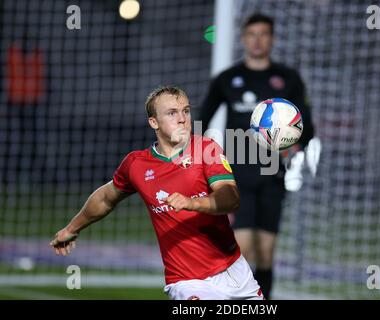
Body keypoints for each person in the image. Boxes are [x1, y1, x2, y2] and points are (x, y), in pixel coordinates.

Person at [50, 86, 264, 300]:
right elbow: (106, 198)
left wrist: (192, 203)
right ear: (154, 122)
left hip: (236, 271)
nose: (182, 119)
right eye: (172, 113)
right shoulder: (136, 165)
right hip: (188, 282)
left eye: (186, 111)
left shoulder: (206, 149)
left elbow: (230, 197)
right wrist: (72, 228)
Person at [199, 13, 320, 299]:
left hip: (271, 173)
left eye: (263, 34)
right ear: (243, 39)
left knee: (265, 252)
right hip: (235, 174)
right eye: (251, 34)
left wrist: (295, 144)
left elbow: (308, 128)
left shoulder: (288, 80)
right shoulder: (226, 80)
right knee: (242, 248)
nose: (257, 40)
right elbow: (201, 122)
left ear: (272, 39)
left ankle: (263, 302)